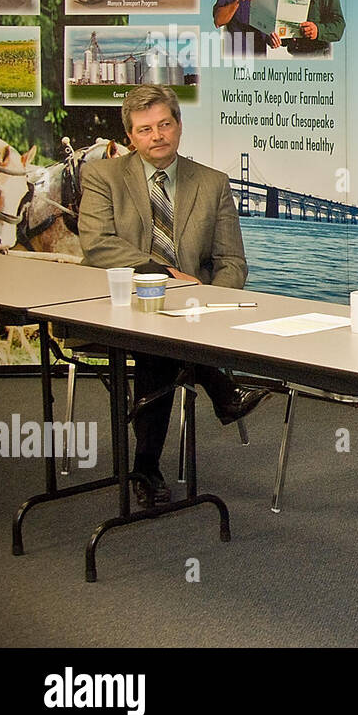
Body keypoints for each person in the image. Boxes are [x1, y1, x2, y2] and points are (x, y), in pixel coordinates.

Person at [78, 85, 272, 508]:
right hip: (119, 303)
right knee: (156, 343)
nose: (157, 135)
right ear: (130, 136)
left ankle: (145, 467)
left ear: (179, 126)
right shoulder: (102, 177)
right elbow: (98, 244)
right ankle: (222, 390)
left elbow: (231, 260)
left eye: (165, 124)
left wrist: (214, 303)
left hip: (192, 310)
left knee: (162, 345)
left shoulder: (212, 182)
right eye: (145, 129)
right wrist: (166, 275)